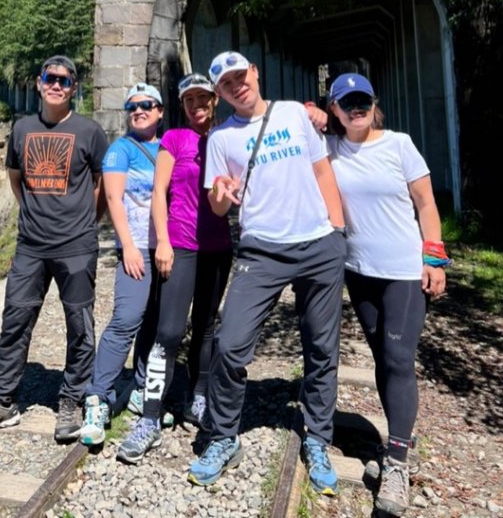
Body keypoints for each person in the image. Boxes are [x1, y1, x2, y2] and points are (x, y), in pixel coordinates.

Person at [188, 51, 346, 494]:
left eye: (241, 75)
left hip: (318, 245)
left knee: (321, 348)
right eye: (227, 83)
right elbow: (216, 204)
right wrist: (221, 193)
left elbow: (322, 171)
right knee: (230, 343)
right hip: (261, 251)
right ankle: (224, 437)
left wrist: (337, 232)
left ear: (255, 73)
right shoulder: (221, 138)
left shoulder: (294, 114)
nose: (237, 85)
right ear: (220, 94)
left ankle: (318, 438)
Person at [0, 54, 108, 445]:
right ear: (39, 83)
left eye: (64, 80)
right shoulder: (22, 129)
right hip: (31, 246)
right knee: (15, 321)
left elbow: (100, 185)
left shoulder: (90, 132)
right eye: (50, 78)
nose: (56, 85)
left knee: (80, 326)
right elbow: (15, 179)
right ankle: (0, 401)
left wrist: (85, 224)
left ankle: (72, 400)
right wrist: (33, 216)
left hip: (76, 245)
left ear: (74, 88)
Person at [326, 72, 449, 516]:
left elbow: (426, 203)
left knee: (398, 358)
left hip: (403, 272)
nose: (356, 108)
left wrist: (434, 257)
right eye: (347, 103)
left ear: (374, 105)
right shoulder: (330, 148)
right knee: (383, 357)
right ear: (335, 109)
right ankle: (399, 436)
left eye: (363, 101)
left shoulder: (399, 144)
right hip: (359, 272)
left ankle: (396, 463)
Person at [116, 73, 233, 463]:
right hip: (180, 244)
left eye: (203, 98)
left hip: (218, 247)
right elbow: (158, 193)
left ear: (215, 100)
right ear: (182, 106)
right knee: (168, 331)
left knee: (206, 326)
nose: (197, 105)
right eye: (189, 100)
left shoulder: (226, 136)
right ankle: (150, 417)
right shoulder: (175, 139)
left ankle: (197, 397)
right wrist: (163, 241)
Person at [79, 82, 165, 447]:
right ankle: (98, 397)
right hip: (138, 248)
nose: (139, 111)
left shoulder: (168, 147)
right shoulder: (120, 150)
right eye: (132, 107)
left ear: (160, 111)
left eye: (146, 105)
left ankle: (142, 388)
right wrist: (127, 246)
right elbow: (113, 199)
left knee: (155, 322)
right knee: (126, 319)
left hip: (168, 247)